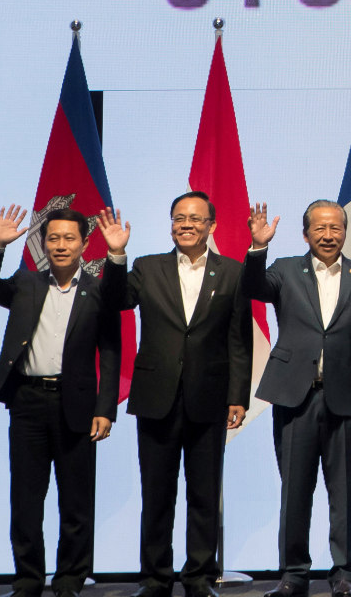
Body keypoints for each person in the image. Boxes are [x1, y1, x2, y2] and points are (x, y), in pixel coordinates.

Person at [97, 194, 253, 597]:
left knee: (204, 493)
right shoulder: (147, 267)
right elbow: (115, 301)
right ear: (170, 224)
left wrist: (239, 395)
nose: (186, 224)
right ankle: (155, 579)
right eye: (179, 218)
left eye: (195, 219)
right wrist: (116, 255)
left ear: (211, 227)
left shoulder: (233, 273)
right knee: (157, 493)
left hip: (210, 397)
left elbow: (239, 340)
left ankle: (199, 578)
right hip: (156, 397)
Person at [243, 200, 351, 597]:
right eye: (320, 228)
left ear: (345, 231)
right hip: (295, 396)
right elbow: (253, 288)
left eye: (336, 228)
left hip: (349, 398)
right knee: (295, 488)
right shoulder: (285, 270)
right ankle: (293, 574)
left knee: (345, 491)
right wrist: (258, 248)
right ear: (305, 233)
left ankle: (344, 573)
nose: (329, 235)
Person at [0, 204, 121, 597]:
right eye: (53, 238)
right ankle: (27, 581)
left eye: (69, 238)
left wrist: (106, 409)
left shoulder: (99, 291)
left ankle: (70, 580)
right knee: (25, 500)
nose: (60, 245)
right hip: (28, 403)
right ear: (43, 243)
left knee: (75, 502)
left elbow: (110, 351)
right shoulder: (27, 284)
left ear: (84, 244)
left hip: (76, 405)